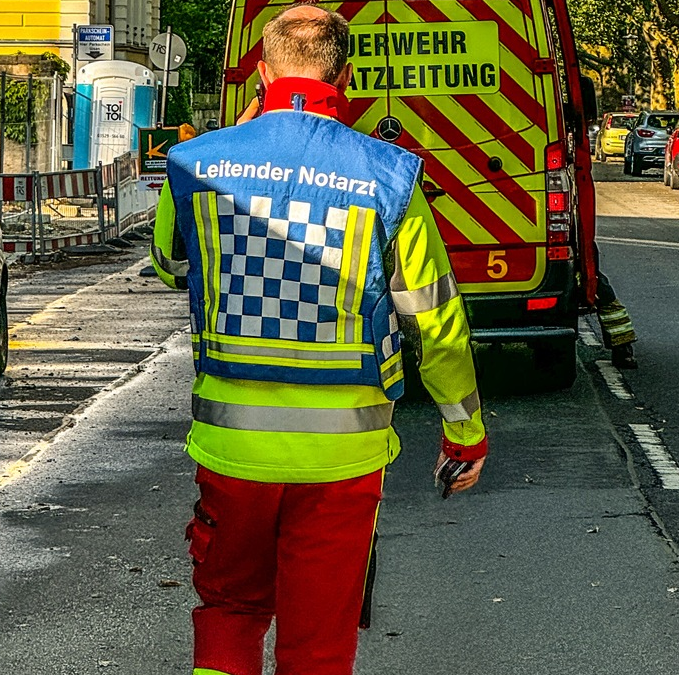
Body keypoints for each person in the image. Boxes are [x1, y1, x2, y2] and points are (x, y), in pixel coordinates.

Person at [149, 6, 488, 675]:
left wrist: (230, 141)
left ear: (261, 74)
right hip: (343, 458)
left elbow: (168, 261)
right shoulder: (389, 176)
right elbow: (435, 320)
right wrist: (463, 431)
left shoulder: (196, 163)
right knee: (319, 643)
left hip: (232, 447)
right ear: (349, 77)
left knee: (230, 611)